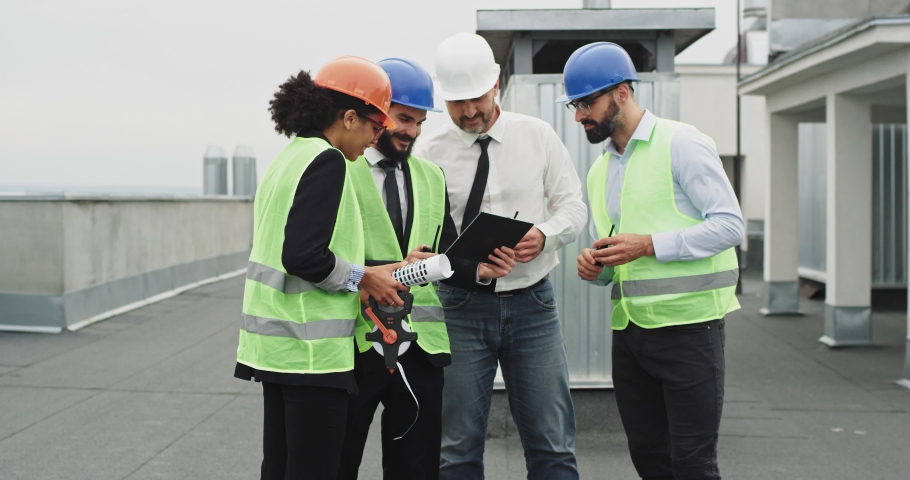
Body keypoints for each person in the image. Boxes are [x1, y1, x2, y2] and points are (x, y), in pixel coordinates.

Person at [565, 42, 744, 480]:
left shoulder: (681, 143)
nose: (579, 116)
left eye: (587, 103)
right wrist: (597, 269)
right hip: (630, 336)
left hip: (690, 332)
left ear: (622, 93)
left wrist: (649, 245)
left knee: (693, 466)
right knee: (649, 460)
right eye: (575, 105)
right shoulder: (599, 170)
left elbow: (730, 225)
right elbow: (614, 260)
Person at [415, 32, 587, 480]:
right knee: (457, 450)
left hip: (533, 305)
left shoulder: (539, 136)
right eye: (457, 104)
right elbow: (421, 235)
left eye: (477, 99)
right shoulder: (428, 152)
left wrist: (544, 235)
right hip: (460, 309)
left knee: (552, 446)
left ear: (496, 86)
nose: (470, 112)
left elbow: (574, 208)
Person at [336, 57, 515, 480]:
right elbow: (322, 254)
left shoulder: (431, 176)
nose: (412, 132)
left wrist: (481, 271)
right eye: (403, 119)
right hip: (354, 344)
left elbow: (446, 255)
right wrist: (389, 270)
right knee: (338, 461)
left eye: (419, 122)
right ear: (376, 114)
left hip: (420, 348)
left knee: (416, 468)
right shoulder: (338, 170)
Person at [234, 56, 410, 480]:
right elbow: (304, 256)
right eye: (376, 124)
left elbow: (293, 251)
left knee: (280, 468)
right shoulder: (327, 161)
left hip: (276, 351)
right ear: (349, 117)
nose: (376, 136)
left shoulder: (289, 157)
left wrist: (375, 272)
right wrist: (363, 277)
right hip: (312, 357)